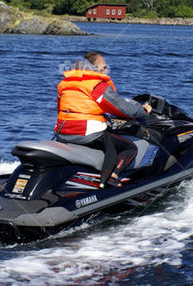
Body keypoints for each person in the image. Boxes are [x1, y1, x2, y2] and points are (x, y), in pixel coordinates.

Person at [55, 52, 151, 188]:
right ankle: (111, 178)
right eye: (104, 67)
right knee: (128, 147)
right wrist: (143, 111)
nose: (106, 70)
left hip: (63, 132)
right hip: (86, 133)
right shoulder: (97, 86)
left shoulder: (64, 84)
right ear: (94, 68)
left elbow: (61, 108)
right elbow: (123, 109)